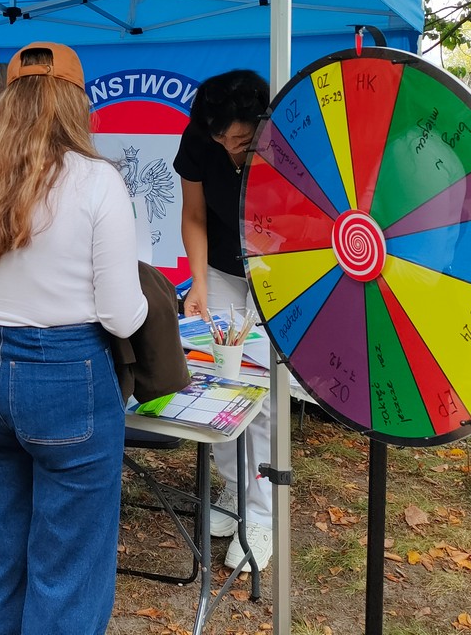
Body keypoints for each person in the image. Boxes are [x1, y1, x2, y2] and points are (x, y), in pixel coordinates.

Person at [0, 42, 146, 635]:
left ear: (7, 101)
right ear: (76, 103)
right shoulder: (97, 180)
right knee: (69, 563)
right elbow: (122, 318)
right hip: (68, 374)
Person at [174, 68, 274, 571]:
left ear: (262, 122)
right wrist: (198, 283)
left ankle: (262, 512)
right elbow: (194, 215)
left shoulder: (286, 139)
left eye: (239, 140)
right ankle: (234, 489)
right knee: (221, 382)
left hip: (280, 270)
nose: (230, 149)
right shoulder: (200, 138)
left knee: (265, 390)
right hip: (221, 269)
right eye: (221, 140)